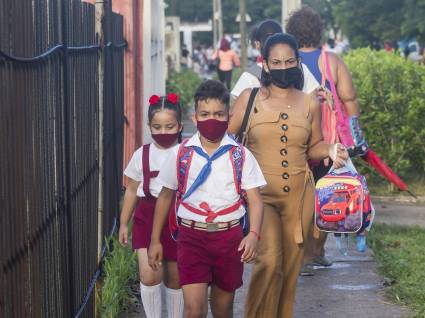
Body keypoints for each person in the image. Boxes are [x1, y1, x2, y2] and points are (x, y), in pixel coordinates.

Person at [229, 33, 349, 318]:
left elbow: (314, 146)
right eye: (277, 62)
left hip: (299, 197)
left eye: (289, 61)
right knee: (269, 260)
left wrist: (331, 149)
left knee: (291, 269)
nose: (284, 67)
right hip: (260, 197)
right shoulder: (250, 98)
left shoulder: (310, 103)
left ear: (298, 62)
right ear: (266, 65)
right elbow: (224, 139)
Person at [148, 80, 266, 318]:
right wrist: (155, 240)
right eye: (205, 114)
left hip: (230, 238)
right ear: (195, 117)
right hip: (191, 237)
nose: (212, 119)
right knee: (194, 310)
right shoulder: (180, 153)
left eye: (218, 114)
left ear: (229, 116)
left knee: (223, 309)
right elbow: (165, 195)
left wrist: (253, 235)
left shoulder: (241, 156)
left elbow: (255, 199)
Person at [286, 5, 366, 271]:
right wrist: (355, 140)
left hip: (295, 138)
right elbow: (349, 100)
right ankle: (315, 252)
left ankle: (298, 251)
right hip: (327, 142)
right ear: (319, 32)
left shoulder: (287, 59)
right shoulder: (331, 62)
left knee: (298, 195)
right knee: (327, 193)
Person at [119, 93, 184, 318]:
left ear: (180, 125)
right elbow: (130, 189)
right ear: (149, 127)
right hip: (146, 215)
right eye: (157, 127)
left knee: (175, 278)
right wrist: (124, 223)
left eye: (169, 126)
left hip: (178, 217)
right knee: (149, 275)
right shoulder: (142, 155)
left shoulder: (186, 152)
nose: (163, 132)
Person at [231, 19, 319, 102]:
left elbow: (235, 104)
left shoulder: (250, 75)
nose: (283, 68)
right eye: (276, 62)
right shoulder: (301, 68)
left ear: (258, 44)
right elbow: (315, 98)